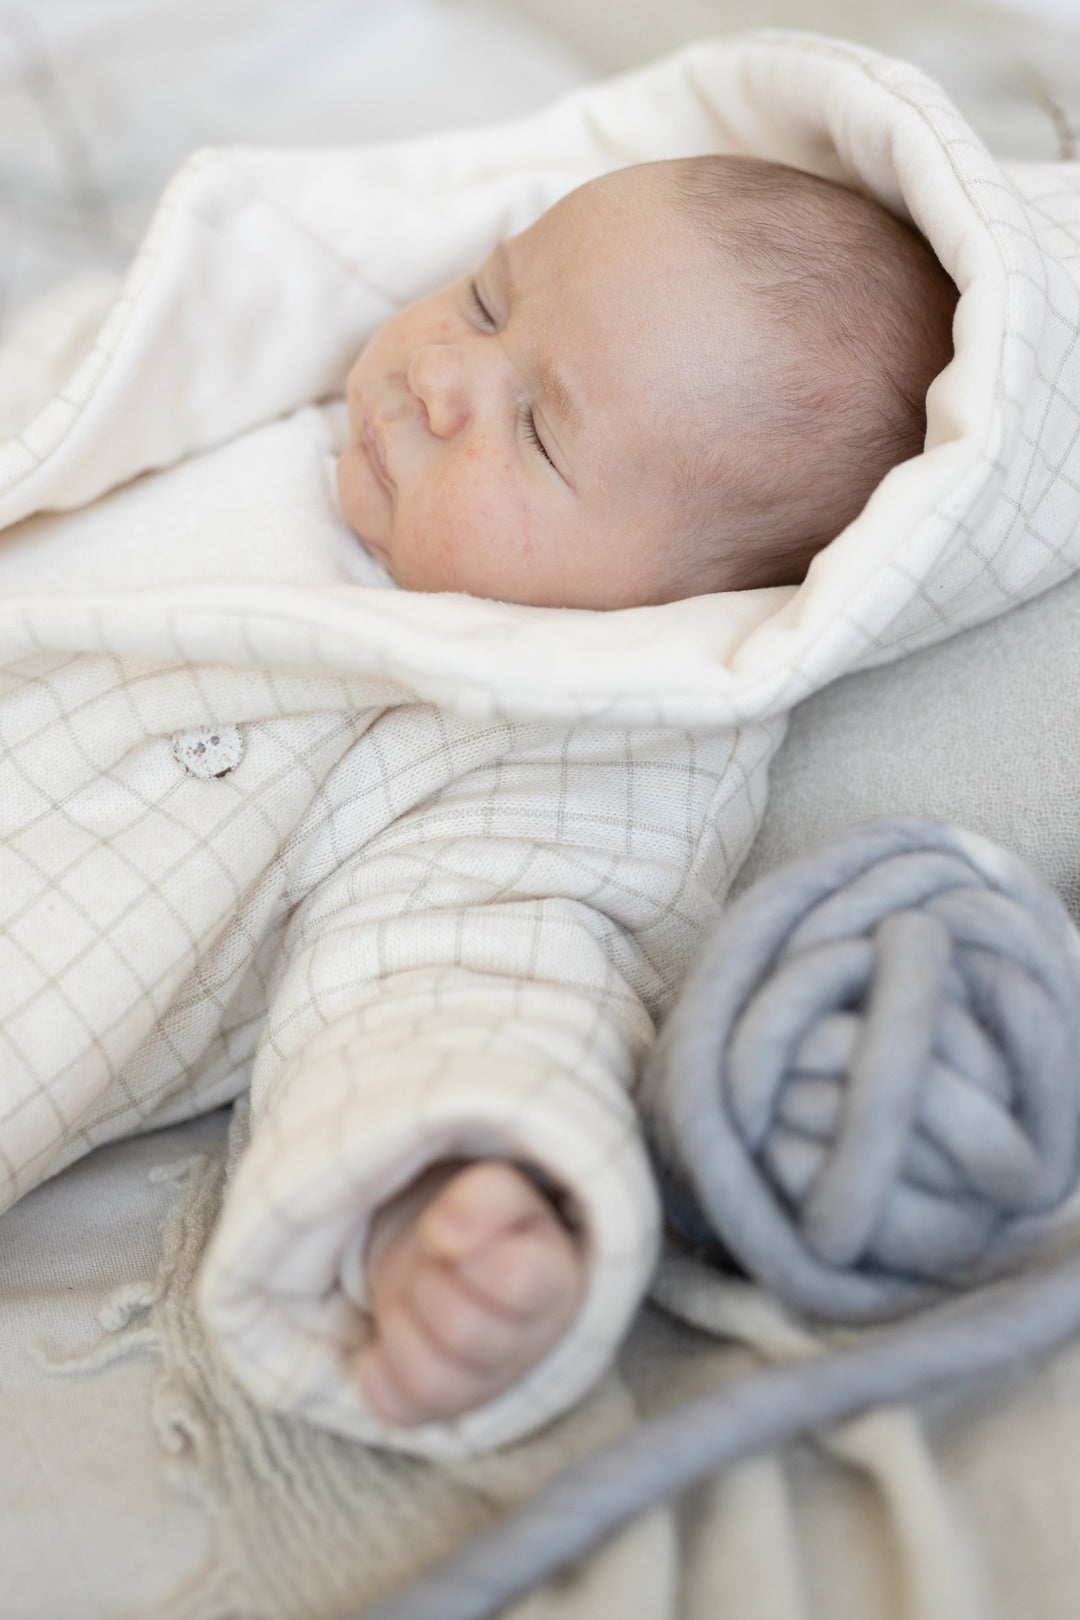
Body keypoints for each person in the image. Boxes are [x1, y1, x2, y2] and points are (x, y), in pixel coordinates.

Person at [338, 155, 957, 1427]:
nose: (442, 373)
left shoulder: (541, 746)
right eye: (490, 299)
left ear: (680, 610)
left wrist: (457, 1190)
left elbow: (475, 967)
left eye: (542, 432)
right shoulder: (252, 399)